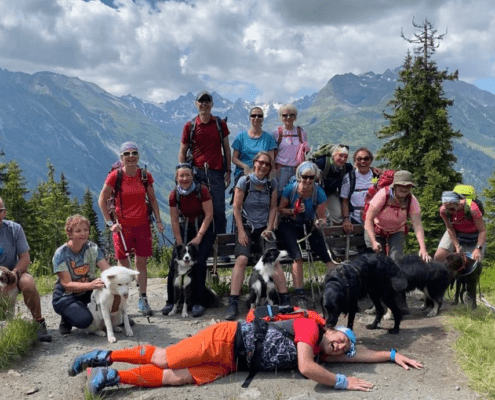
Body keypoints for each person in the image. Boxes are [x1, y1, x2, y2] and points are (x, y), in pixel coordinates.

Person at [68, 319, 422, 395]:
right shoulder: (309, 331)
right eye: (342, 339)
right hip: (226, 337)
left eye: (345, 346)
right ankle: (105, 356)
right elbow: (305, 368)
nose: (342, 347)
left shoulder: (322, 352)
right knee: (165, 358)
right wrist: (342, 384)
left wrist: (390, 354)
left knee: (176, 378)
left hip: (232, 361)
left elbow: (356, 358)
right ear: (330, 331)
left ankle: (111, 377)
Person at [98, 141, 164, 316]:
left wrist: (158, 220)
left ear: (138, 156)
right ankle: (122, 305)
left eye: (134, 153)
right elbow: (102, 200)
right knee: (123, 266)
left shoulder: (145, 176)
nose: (131, 156)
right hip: (122, 228)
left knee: (141, 263)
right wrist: (110, 224)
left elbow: (153, 199)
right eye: (126, 154)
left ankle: (143, 299)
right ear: (121, 157)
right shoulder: (115, 176)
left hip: (142, 225)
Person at [225, 151, 290, 320]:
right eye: (260, 163)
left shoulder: (271, 184)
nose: (263, 166)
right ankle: (233, 302)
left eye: (267, 164)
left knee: (273, 260)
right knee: (241, 259)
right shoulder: (244, 182)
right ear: (254, 163)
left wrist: (269, 228)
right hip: (246, 226)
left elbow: (273, 208)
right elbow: (236, 208)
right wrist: (240, 231)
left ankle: (284, 299)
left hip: (263, 228)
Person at [161, 163, 215, 318]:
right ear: (176, 178)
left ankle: (198, 301)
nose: (184, 178)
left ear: (192, 176)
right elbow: (174, 220)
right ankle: (171, 301)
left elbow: (209, 215)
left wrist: (199, 236)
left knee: (199, 262)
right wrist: (178, 240)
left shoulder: (201, 190)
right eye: (181, 176)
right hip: (185, 227)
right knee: (174, 263)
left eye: (187, 175)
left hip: (204, 228)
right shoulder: (174, 194)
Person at [277, 161, 334, 308]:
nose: (308, 180)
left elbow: (322, 216)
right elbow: (281, 209)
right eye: (305, 177)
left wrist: (320, 222)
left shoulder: (318, 192)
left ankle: (334, 289)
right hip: (289, 226)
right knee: (298, 257)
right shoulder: (291, 189)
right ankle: (300, 294)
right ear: (299, 176)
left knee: (327, 257)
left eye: (311, 177)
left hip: (308, 226)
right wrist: (292, 211)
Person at [178, 91, 231, 235]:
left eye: (207, 101)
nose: (204, 104)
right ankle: (200, 245)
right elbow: (182, 151)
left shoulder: (220, 124)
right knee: (198, 210)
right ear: (196, 104)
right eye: (201, 101)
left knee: (219, 210)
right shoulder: (190, 126)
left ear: (212, 105)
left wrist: (228, 171)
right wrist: (183, 173)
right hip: (196, 174)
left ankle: (221, 247)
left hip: (216, 173)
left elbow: (226, 149)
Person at [0, 197, 51, 342]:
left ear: (4, 212)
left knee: (28, 283)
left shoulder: (14, 229)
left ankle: (38, 322)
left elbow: (25, 258)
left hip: (14, 270)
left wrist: (14, 274)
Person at [52, 215, 112, 334]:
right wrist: (91, 285)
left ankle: (116, 318)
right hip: (66, 295)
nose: (83, 233)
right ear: (69, 234)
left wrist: (116, 283)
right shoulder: (60, 254)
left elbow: (107, 271)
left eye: (86, 230)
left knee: (110, 295)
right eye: (78, 231)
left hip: (87, 292)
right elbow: (67, 284)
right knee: (85, 320)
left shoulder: (93, 248)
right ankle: (66, 318)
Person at [364, 171, 429, 262]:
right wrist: (373, 241)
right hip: (376, 230)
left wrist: (423, 248)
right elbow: (368, 219)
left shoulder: (411, 200)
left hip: (397, 230)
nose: (404, 189)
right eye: (401, 186)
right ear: (394, 186)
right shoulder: (382, 195)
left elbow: (417, 225)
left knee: (396, 259)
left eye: (407, 186)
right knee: (377, 260)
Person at [434, 191, 486, 263]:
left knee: (473, 261)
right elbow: (449, 228)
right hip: (455, 232)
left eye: (452, 209)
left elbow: (482, 231)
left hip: (474, 235)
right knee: (439, 257)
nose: (450, 212)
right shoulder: (444, 211)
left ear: (459, 204)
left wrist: (478, 249)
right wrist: (457, 246)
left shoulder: (473, 209)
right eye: (447, 209)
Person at [231, 107, 277, 180]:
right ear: (249, 118)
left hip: (262, 173)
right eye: (253, 115)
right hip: (243, 172)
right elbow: (234, 158)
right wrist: (245, 167)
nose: (256, 118)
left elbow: (271, 160)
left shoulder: (269, 138)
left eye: (259, 116)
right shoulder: (240, 137)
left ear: (262, 119)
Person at [272, 104, 309, 195]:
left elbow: (305, 152)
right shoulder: (277, 133)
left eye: (291, 115)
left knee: (296, 194)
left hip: (297, 169)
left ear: (295, 116)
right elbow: (272, 153)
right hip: (281, 170)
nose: (288, 117)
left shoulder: (301, 132)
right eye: (285, 115)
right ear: (281, 117)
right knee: (280, 194)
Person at [313, 144, 353, 225]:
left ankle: (329, 228)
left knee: (337, 217)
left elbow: (358, 171)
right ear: (333, 155)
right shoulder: (322, 163)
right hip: (315, 193)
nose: (342, 159)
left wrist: (372, 170)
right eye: (340, 155)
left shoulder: (347, 167)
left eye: (345, 157)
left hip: (330, 193)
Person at [340, 147, 377, 234]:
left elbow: (377, 191)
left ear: (370, 161)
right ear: (355, 161)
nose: (362, 161)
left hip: (374, 219)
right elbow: (345, 200)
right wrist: (346, 219)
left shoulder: (375, 177)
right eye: (359, 159)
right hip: (355, 220)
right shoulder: (349, 178)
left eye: (366, 158)